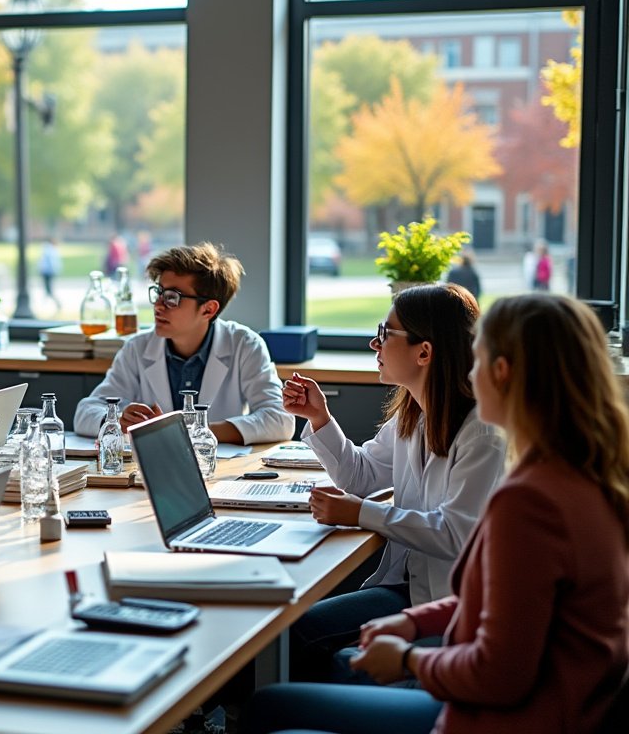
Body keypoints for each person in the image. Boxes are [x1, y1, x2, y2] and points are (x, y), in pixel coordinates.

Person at [245, 293, 629, 734]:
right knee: (288, 680)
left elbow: (499, 674)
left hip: (501, 718)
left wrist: (409, 658)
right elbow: (502, 607)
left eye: (477, 356)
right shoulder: (582, 475)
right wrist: (413, 621)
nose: (469, 367)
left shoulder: (527, 497)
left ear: (500, 372)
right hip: (521, 693)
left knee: (274, 707)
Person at [281, 284, 506, 680]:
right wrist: (320, 418)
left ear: (425, 352)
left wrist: (362, 513)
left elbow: (456, 533)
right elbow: (361, 476)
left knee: (310, 642)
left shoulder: (482, 434)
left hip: (449, 604)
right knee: (297, 630)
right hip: (408, 588)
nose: (374, 343)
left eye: (386, 334)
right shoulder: (413, 415)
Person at [74, 243, 294, 445]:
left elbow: (280, 419)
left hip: (220, 472)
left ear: (208, 309)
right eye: (159, 293)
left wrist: (195, 432)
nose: (158, 306)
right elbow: (85, 412)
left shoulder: (244, 345)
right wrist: (117, 419)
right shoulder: (137, 348)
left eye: (171, 297)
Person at [39, 236, 63, 312]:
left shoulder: (47, 249)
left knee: (49, 290)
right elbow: (52, 263)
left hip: (47, 272)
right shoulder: (50, 250)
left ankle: (54, 303)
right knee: (48, 290)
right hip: (48, 272)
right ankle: (48, 302)